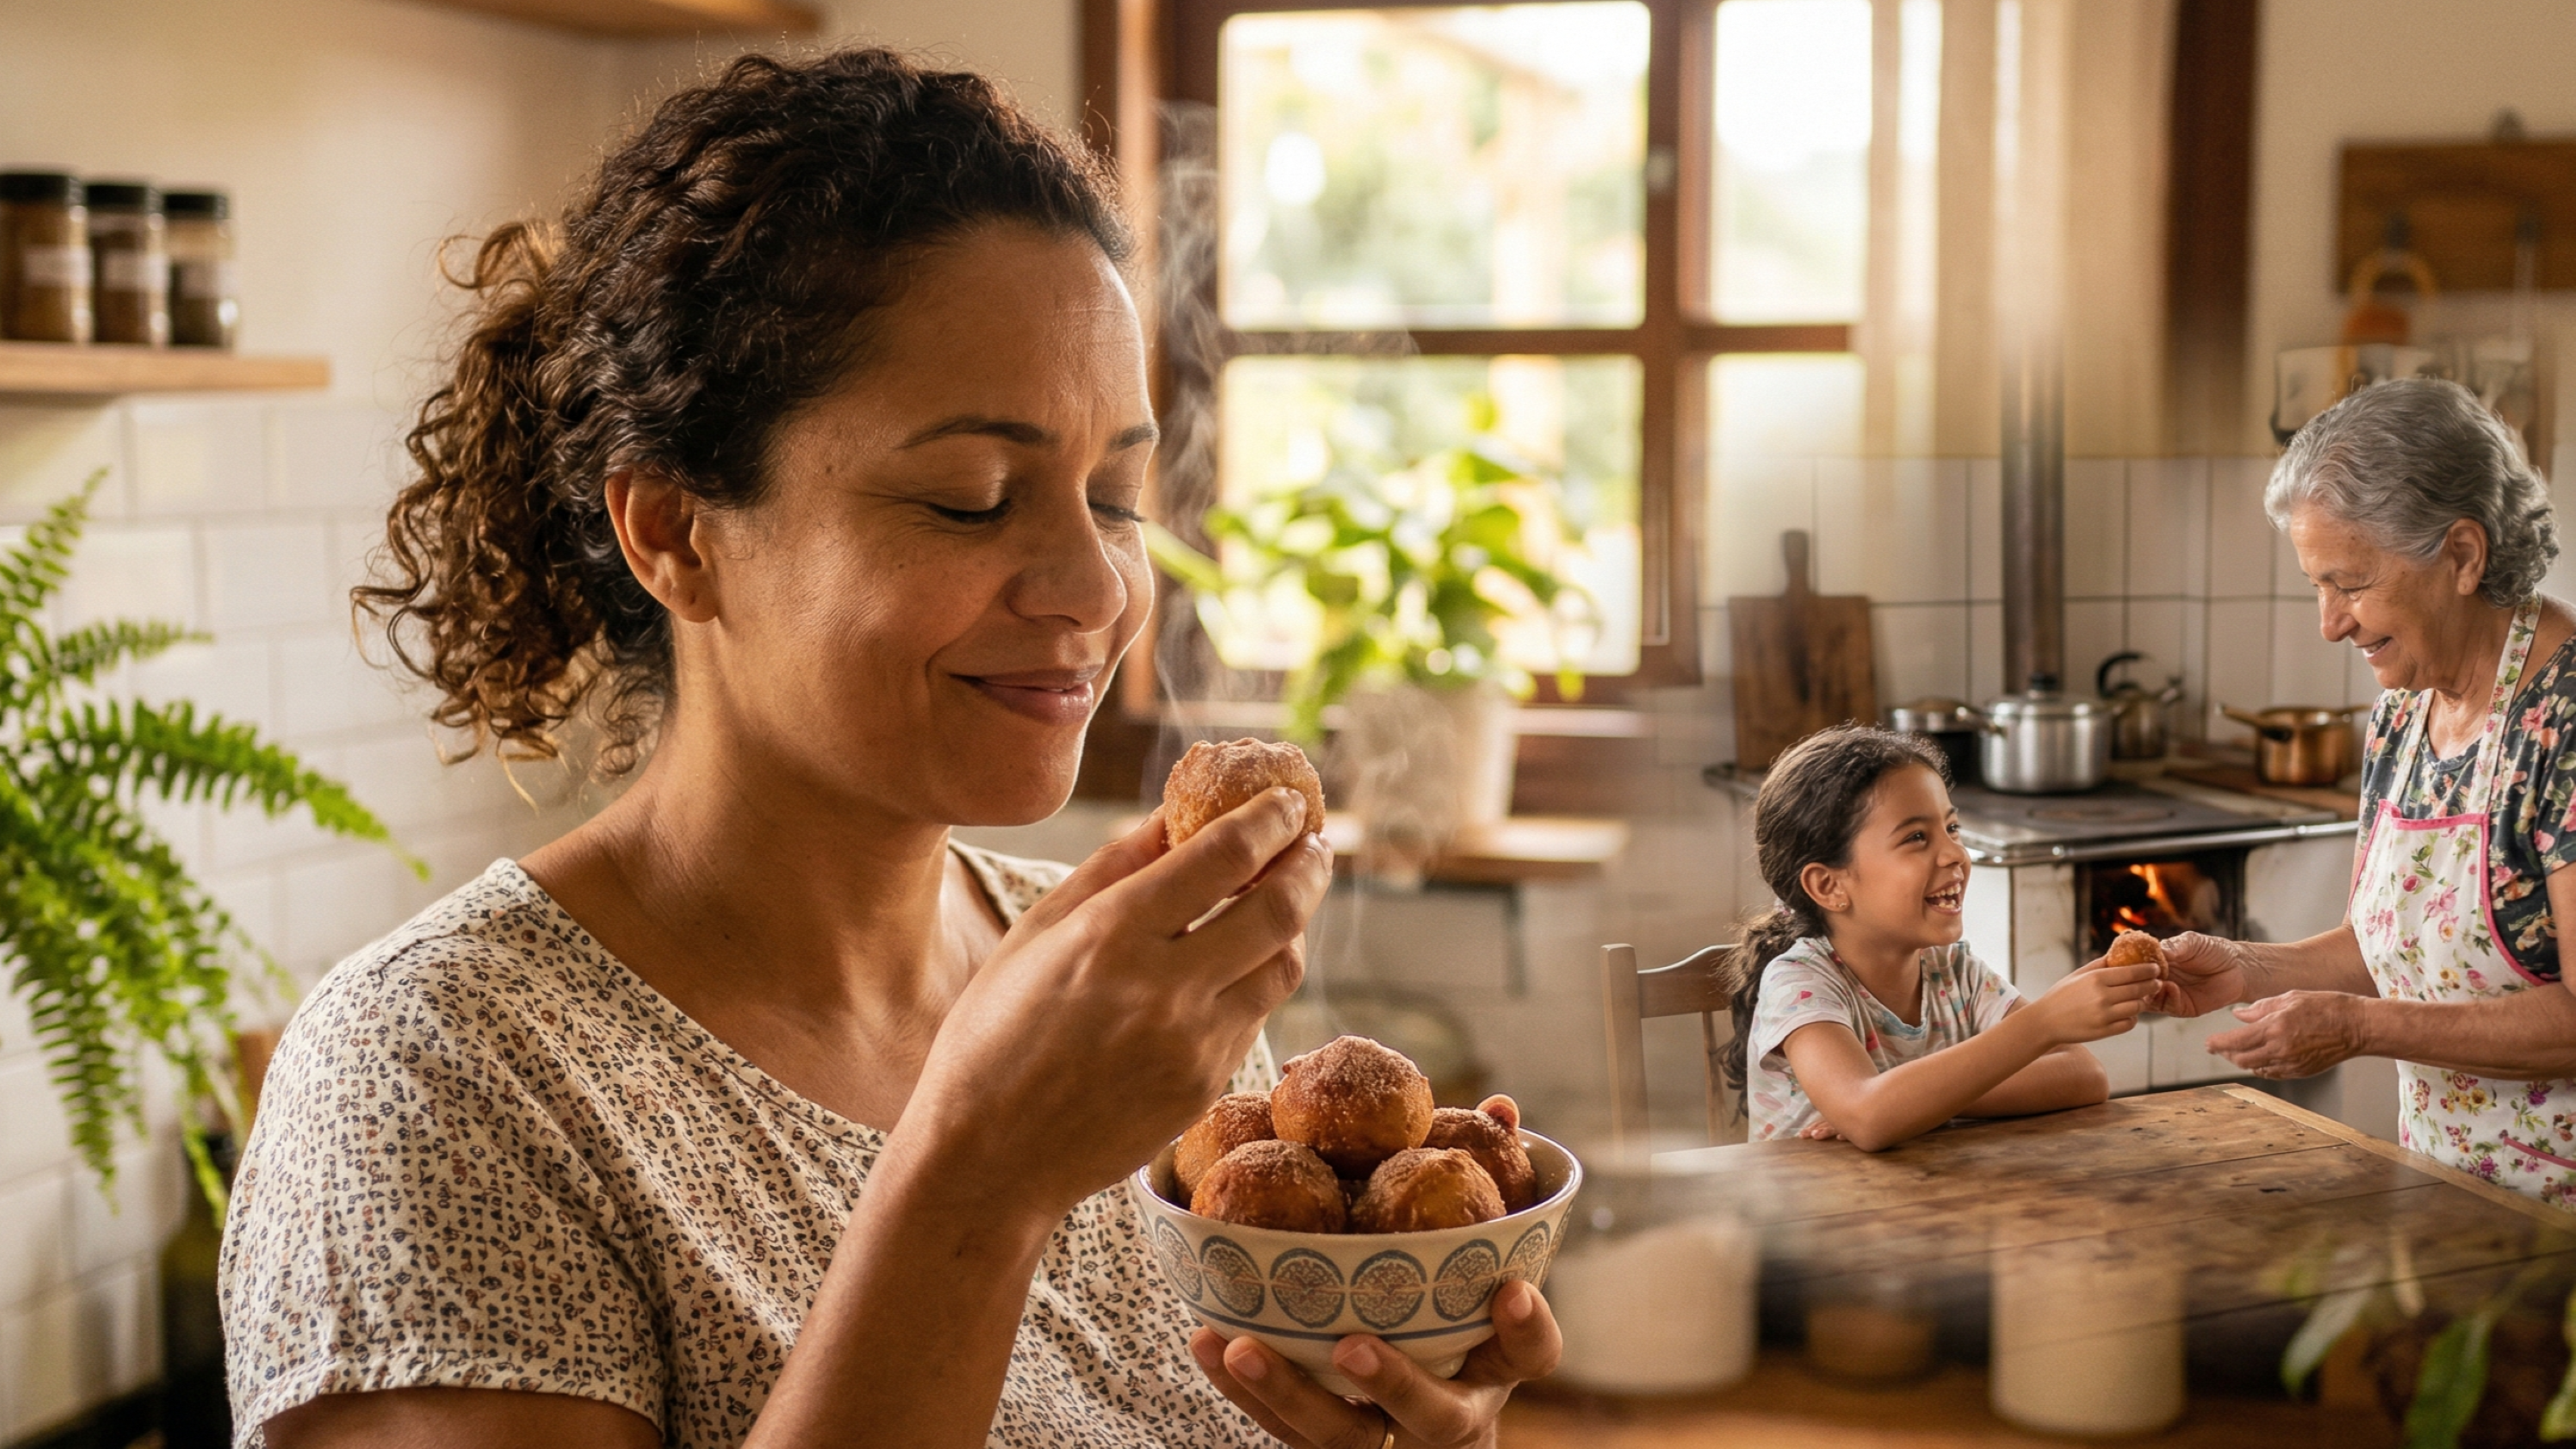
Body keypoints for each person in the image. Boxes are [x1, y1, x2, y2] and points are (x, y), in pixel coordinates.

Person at [216, 49, 1559, 1449]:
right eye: (974, 500)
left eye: (1113, 497)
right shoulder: (441, 1073)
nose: (1097, 592)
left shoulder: (1108, 978)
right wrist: (975, 1182)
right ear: (676, 534)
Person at [2143, 377, 2576, 1204]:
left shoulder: (2565, 719)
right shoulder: (2404, 714)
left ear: (2461, 555)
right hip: (2455, 1199)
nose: (2330, 623)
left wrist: (2356, 1029)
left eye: (2350, 582)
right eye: (2317, 585)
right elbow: (2385, 950)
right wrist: (2241, 969)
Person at [1716, 726, 2157, 1149]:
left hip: (1923, 1209)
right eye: (1916, 837)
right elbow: (1869, 1117)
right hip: (1811, 1219)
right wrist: (2041, 1023)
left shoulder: (1954, 970)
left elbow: (2084, 1076)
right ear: (1831, 887)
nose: (1955, 855)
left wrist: (1919, 1104)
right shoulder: (1799, 984)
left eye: (1952, 828)